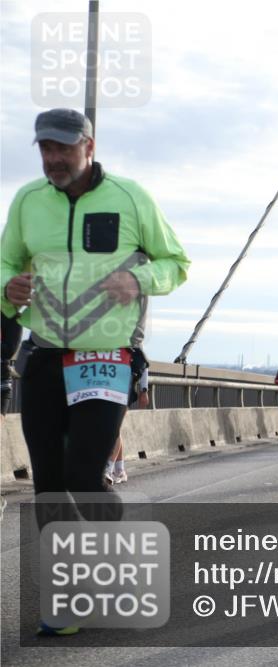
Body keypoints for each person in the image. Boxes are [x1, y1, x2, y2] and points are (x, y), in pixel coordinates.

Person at [0, 108, 190, 636]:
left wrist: (139, 280)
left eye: (62, 147)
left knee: (84, 475)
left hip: (104, 358)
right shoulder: (27, 201)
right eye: (44, 148)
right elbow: (5, 261)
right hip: (42, 357)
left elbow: (177, 262)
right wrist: (8, 287)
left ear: (89, 144)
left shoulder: (130, 197)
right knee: (49, 485)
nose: (52, 158)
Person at [105, 365, 149, 485]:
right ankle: (119, 470)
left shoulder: (132, 346)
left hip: (124, 389)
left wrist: (144, 390)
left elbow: (143, 365)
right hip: (108, 386)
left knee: (114, 428)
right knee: (115, 428)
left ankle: (108, 469)